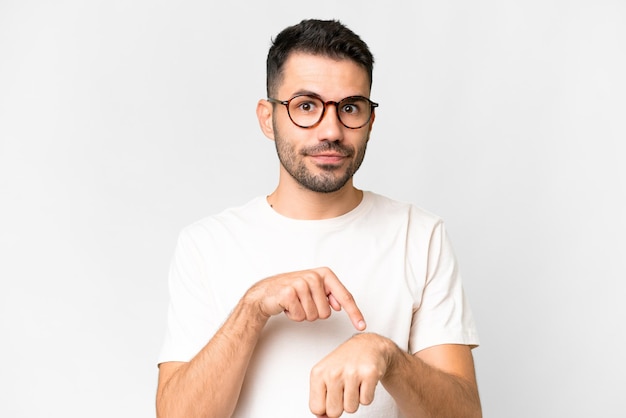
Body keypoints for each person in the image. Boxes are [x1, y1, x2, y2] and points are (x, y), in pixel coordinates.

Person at [156, 19, 481, 418]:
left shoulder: (421, 235)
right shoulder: (207, 244)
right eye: (306, 106)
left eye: (350, 108)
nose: (332, 130)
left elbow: (465, 414)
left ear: (370, 121)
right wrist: (252, 307)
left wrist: (388, 356)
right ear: (267, 118)